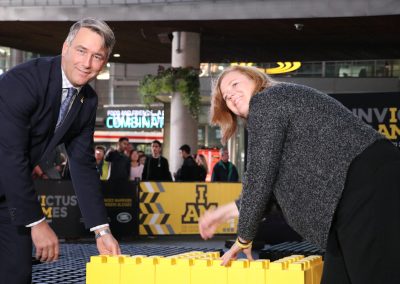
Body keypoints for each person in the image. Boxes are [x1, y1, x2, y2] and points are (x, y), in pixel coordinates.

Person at [199, 65, 400, 284]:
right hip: (350, 194)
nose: (232, 95)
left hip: (365, 182)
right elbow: (271, 189)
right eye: (226, 97)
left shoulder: (267, 100)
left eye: (235, 84)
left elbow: (259, 175)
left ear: (255, 79)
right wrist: (224, 213)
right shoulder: (276, 110)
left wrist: (244, 236)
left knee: (373, 274)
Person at [0, 18, 121, 284]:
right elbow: (10, 155)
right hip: (9, 176)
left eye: (97, 56)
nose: (87, 63)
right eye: (81, 51)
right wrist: (36, 222)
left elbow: (83, 164)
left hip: (8, 198)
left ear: (104, 62)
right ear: (65, 47)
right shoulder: (23, 81)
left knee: (16, 275)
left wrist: (102, 232)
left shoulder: (86, 100)